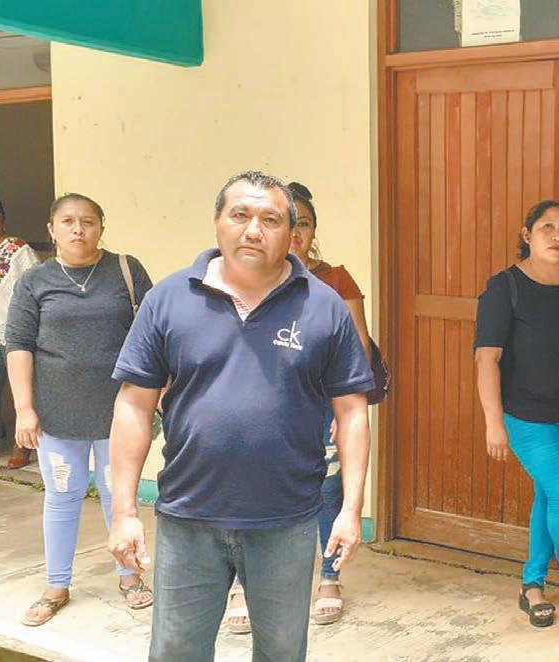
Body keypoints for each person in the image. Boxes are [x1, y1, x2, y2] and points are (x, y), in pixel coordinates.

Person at [107, 171, 374, 662]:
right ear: (217, 222)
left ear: (291, 233)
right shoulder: (170, 299)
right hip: (188, 517)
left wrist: (350, 510)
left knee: (281, 653)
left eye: (271, 219)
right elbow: (133, 404)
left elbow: (353, 410)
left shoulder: (323, 306)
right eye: (240, 215)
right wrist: (124, 512)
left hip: (286, 521)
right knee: (176, 652)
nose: (254, 229)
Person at [223, 181, 374, 632]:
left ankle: (329, 578)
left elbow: (359, 347)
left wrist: (347, 410)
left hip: (323, 405)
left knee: (327, 490)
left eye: (303, 224)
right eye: (289, 224)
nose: (296, 234)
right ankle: (242, 584)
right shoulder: (245, 277)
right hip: (259, 408)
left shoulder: (335, 280)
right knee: (251, 488)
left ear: (310, 231)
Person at [6, 193, 154, 626]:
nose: (78, 228)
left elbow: (154, 334)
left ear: (101, 228)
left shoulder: (126, 270)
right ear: (51, 229)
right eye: (67, 221)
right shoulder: (34, 281)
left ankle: (130, 576)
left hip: (120, 414)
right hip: (57, 415)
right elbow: (19, 344)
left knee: (119, 497)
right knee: (62, 498)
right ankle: (56, 585)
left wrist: (157, 393)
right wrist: (24, 409)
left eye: (88, 221)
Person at [474, 200, 559, 628]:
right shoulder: (505, 287)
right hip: (526, 417)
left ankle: (532, 584)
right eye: (547, 227)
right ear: (527, 234)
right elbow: (487, 359)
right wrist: (493, 421)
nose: (557, 236)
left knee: (548, 496)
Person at [0, 197, 41, 469]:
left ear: (2, 218)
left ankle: (22, 445)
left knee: (21, 390)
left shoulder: (18, 250)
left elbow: (36, 288)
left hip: (14, 332)